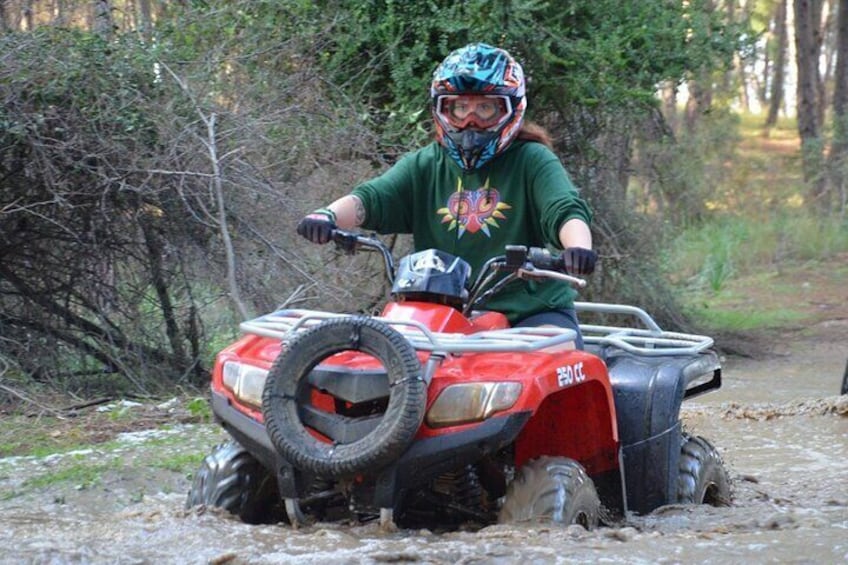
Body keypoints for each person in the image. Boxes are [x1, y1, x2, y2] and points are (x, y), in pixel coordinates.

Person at [296, 42, 596, 348]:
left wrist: (578, 248)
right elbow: (371, 198)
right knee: (375, 369)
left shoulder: (531, 160)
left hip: (529, 315)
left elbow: (565, 209)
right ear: (443, 110)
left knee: (548, 366)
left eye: (485, 108)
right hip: (439, 316)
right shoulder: (426, 164)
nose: (470, 121)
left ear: (509, 109)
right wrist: (327, 215)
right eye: (460, 108)